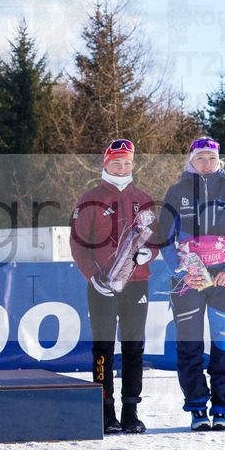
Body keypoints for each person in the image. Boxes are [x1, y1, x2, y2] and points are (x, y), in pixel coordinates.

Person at [156, 137, 225, 431]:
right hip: (188, 281)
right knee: (190, 346)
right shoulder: (176, 191)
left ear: (219, 161)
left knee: (224, 346)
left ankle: (222, 406)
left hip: (224, 280)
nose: (206, 164)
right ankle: (198, 408)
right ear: (190, 161)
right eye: (200, 158)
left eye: (211, 158)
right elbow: (163, 239)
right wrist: (181, 270)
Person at [69, 139, 157, 433]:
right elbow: (79, 244)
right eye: (116, 162)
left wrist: (149, 254)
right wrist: (93, 276)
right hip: (103, 286)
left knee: (134, 348)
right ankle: (105, 411)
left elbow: (154, 239)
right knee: (103, 348)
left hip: (136, 284)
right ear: (105, 164)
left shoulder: (143, 198)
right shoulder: (89, 198)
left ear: (134, 166)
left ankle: (131, 411)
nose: (122, 168)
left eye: (127, 163)